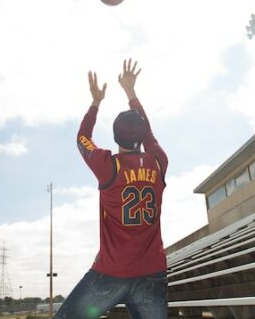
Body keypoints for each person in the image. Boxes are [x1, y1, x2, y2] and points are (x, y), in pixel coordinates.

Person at [55, 59, 168, 319]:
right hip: (152, 273)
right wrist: (131, 93)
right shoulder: (159, 161)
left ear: (116, 137)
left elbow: (82, 138)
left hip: (111, 273)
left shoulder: (108, 166)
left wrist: (95, 102)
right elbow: (149, 135)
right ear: (141, 137)